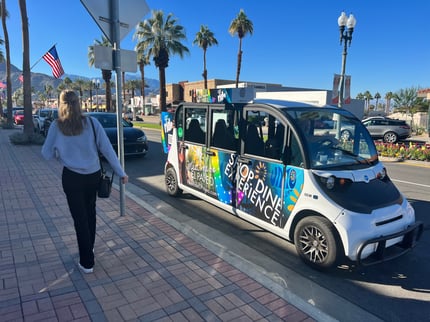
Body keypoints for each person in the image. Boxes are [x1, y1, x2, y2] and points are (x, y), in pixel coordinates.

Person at [42, 90, 128, 274]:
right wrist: (121, 172)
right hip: (92, 176)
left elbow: (46, 154)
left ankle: (87, 261)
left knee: (79, 218)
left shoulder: (56, 126)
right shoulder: (91, 122)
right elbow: (107, 150)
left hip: (72, 178)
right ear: (78, 103)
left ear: (61, 104)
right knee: (90, 213)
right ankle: (90, 248)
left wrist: (60, 154)